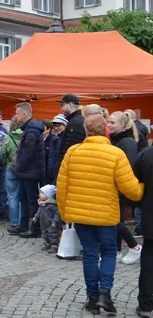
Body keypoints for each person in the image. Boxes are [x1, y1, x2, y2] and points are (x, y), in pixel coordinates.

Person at [57, 114, 144, 315]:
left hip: (80, 215)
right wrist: (144, 189)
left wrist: (64, 213)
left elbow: (62, 187)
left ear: (86, 130)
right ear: (105, 130)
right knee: (109, 252)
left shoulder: (73, 152)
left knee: (89, 253)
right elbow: (130, 188)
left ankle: (92, 298)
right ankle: (105, 293)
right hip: (106, 215)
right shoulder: (115, 154)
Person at [108, 111, 142, 265]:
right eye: (109, 122)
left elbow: (129, 167)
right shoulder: (116, 140)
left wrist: (121, 188)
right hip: (114, 186)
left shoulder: (127, 142)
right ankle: (117, 251)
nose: (109, 125)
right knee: (116, 219)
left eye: (113, 122)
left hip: (120, 187)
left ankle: (134, 247)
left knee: (115, 220)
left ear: (123, 125)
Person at [14, 103, 45, 239]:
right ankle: (23, 225)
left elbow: (28, 153)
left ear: (24, 115)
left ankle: (35, 228)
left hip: (30, 171)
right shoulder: (30, 128)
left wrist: (18, 167)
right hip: (28, 171)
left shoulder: (32, 130)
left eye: (17, 113)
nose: (16, 116)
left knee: (32, 200)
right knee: (24, 199)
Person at [133, 146, 153, 317]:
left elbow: (135, 186)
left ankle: (146, 304)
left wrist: (140, 205)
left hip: (150, 213)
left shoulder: (146, 155)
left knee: (149, 259)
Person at [1, 117, 24, 234]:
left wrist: (8, 163)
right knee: (22, 197)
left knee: (12, 197)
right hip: (24, 169)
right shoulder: (27, 135)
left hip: (11, 168)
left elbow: (3, 153)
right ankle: (22, 222)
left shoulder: (8, 137)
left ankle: (14, 222)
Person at [32, 184, 61, 253]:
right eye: (40, 193)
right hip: (43, 223)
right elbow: (39, 211)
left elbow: (57, 214)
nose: (40, 195)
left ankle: (54, 245)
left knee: (53, 234)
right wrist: (35, 217)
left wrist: (55, 222)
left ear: (48, 195)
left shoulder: (52, 205)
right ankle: (47, 243)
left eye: (42, 193)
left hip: (51, 224)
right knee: (44, 233)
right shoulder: (42, 204)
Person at [58, 94, 85, 161]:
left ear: (70, 104)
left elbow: (71, 147)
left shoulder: (75, 122)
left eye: (62, 105)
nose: (61, 108)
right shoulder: (76, 120)